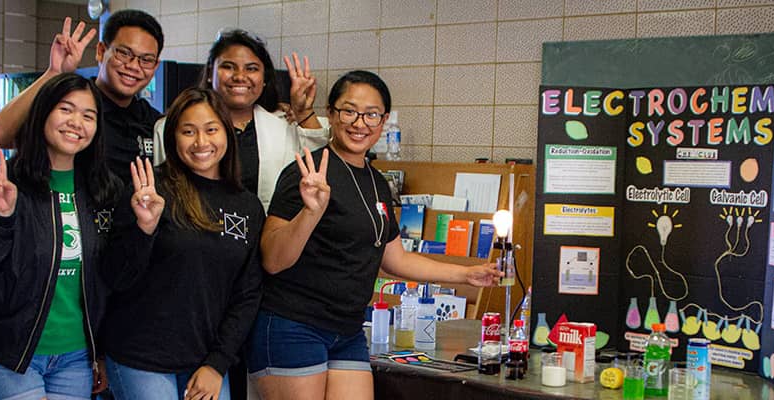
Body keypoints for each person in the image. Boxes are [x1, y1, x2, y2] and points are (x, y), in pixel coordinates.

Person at [247, 70, 503, 400]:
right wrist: (311, 210)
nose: (359, 123)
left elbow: (395, 258)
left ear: (383, 122)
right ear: (332, 113)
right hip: (293, 325)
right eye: (349, 111)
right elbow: (272, 260)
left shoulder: (377, 182)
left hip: (347, 331)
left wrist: (467, 274)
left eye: (371, 115)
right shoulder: (308, 172)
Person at [0, 73, 121, 400]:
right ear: (43, 113)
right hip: (10, 352)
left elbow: (107, 282)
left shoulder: (103, 190)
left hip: (75, 357)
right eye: (66, 109)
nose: (77, 122)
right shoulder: (7, 182)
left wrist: (101, 352)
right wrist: (1, 218)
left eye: (88, 116)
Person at [100, 88, 264, 400]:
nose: (201, 143)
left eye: (211, 130)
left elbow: (247, 295)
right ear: (173, 138)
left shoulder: (247, 206)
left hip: (205, 361)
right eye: (188, 131)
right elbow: (114, 276)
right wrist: (143, 229)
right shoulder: (150, 191)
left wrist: (217, 364)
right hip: (140, 355)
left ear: (227, 133)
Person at [154, 29, 329, 212]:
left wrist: (304, 111)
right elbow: (163, 190)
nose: (239, 76)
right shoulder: (168, 128)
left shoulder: (282, 128)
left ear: (264, 79)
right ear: (209, 73)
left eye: (251, 68)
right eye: (228, 66)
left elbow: (317, 170)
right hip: (188, 233)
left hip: (264, 235)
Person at [0, 9, 165, 180]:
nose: (134, 66)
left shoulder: (154, 122)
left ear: (155, 66)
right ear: (101, 51)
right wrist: (53, 73)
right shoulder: (69, 105)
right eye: (124, 54)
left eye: (146, 60)